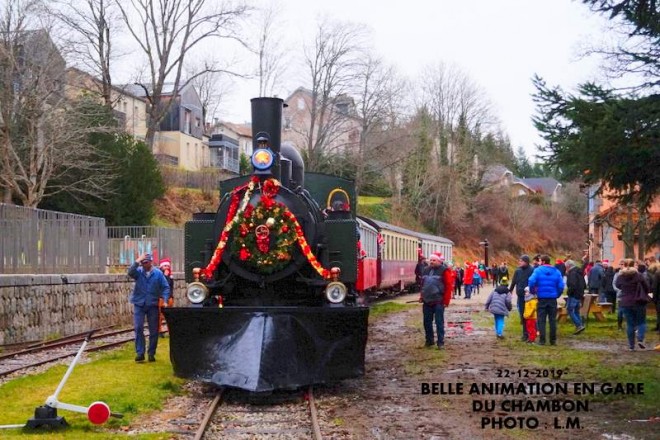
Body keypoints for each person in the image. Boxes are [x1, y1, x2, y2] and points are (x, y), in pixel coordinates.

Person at [128, 253, 171, 362]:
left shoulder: (158, 274)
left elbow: (165, 288)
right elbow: (130, 272)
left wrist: (164, 300)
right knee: (138, 327)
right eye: (142, 263)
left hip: (152, 305)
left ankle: (151, 353)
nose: (143, 265)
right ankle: (140, 353)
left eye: (145, 262)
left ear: (151, 262)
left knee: (154, 330)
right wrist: (137, 260)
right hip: (139, 304)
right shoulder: (138, 272)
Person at [528, 254, 565, 346]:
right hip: (552, 298)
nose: (539, 262)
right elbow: (561, 285)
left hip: (541, 298)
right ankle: (553, 340)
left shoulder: (538, 270)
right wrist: (557, 294)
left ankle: (542, 340)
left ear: (543, 262)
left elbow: (531, 281)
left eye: (540, 261)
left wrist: (533, 292)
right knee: (552, 320)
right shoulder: (556, 271)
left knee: (541, 320)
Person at [615, 258, 651, 350]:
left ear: (625, 265)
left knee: (630, 324)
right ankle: (640, 338)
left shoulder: (621, 276)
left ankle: (631, 346)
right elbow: (646, 287)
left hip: (626, 302)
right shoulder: (638, 275)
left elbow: (618, 285)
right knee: (641, 322)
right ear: (634, 265)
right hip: (639, 301)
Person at [419, 253, 452, 349]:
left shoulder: (444, 270)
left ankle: (440, 342)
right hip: (427, 301)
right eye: (431, 260)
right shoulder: (426, 270)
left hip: (439, 300)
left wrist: (446, 301)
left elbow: (448, 286)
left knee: (439, 322)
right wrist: (421, 296)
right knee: (427, 322)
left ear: (439, 261)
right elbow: (423, 285)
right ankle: (429, 341)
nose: (432, 262)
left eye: (434, 260)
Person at [508, 255, 535, 341]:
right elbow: (513, 282)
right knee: (522, 314)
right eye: (519, 261)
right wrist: (510, 291)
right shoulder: (517, 271)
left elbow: (534, 282)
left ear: (526, 262)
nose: (519, 262)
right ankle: (525, 334)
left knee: (529, 315)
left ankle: (532, 332)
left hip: (529, 296)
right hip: (520, 296)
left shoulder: (532, 270)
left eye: (521, 261)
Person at [565, 260, 586, 335]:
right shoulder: (579, 272)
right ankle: (580, 325)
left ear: (568, 266)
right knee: (576, 311)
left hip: (573, 294)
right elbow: (584, 284)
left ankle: (578, 325)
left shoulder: (572, 273)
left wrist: (568, 292)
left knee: (569, 310)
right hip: (580, 294)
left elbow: (572, 285)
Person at [158, 258, 175, 337]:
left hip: (169, 297)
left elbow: (170, 286)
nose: (166, 267)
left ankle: (170, 330)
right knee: (160, 315)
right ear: (161, 267)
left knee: (169, 314)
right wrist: (165, 276)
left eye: (167, 266)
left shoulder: (170, 276)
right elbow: (164, 285)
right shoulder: (159, 275)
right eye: (165, 266)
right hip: (161, 297)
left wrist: (171, 296)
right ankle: (159, 331)